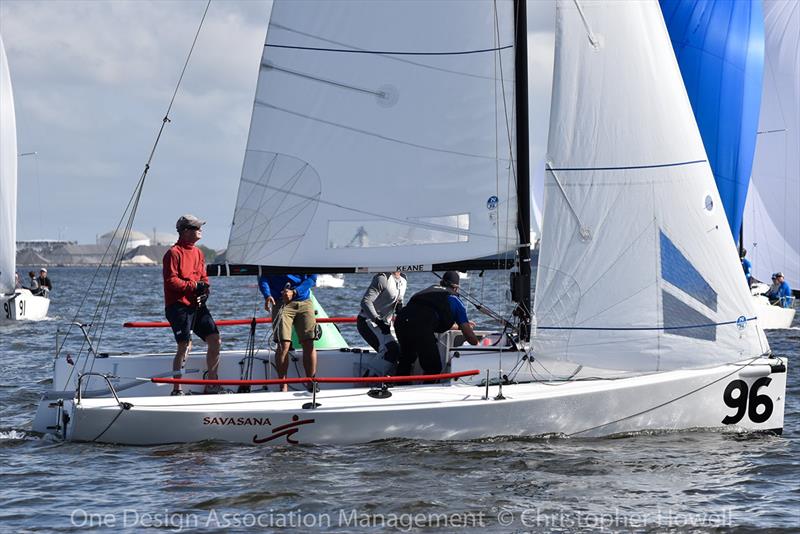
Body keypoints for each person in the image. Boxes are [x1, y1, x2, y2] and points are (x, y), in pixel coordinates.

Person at [162, 214, 221, 395]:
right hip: (178, 306)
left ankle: (212, 384)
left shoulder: (198, 252)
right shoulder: (173, 253)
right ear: (186, 231)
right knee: (185, 345)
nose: (200, 230)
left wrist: (204, 294)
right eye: (196, 228)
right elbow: (171, 281)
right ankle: (177, 389)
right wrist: (195, 286)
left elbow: (204, 279)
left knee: (215, 340)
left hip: (197, 306)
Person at [394, 271, 478, 376]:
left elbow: (429, 316)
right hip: (421, 327)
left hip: (401, 322)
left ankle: (399, 386)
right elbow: (471, 339)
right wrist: (475, 339)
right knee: (434, 368)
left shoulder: (425, 292)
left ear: (441, 283)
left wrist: (458, 326)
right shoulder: (455, 300)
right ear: (456, 287)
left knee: (406, 359)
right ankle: (424, 391)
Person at [258, 273, 318, 392]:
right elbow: (263, 275)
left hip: (304, 301)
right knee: (283, 344)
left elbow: (313, 277)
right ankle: (283, 385)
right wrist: (267, 295)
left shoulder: (306, 256)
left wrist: (295, 292)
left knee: (309, 342)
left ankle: (311, 382)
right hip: (280, 302)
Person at [357, 271, 407, 365]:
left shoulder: (403, 279)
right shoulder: (383, 278)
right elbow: (366, 302)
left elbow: (399, 301)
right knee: (391, 350)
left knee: (403, 352)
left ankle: (392, 378)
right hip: (368, 322)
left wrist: (400, 308)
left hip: (386, 324)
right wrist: (378, 320)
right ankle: (370, 378)